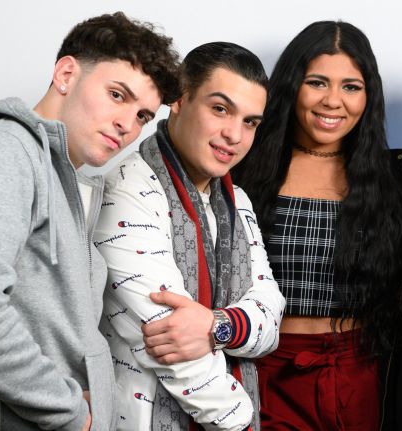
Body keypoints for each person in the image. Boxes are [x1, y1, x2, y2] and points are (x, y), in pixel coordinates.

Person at [0, 12, 180, 431]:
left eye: (142, 116)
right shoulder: (1, 153)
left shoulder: (68, 180)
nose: (127, 125)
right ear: (65, 74)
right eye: (118, 95)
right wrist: (70, 412)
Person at [93, 42, 285, 431]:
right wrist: (243, 424)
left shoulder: (236, 200)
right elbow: (170, 344)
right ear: (179, 99)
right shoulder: (127, 189)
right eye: (220, 109)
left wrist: (216, 325)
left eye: (250, 122)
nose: (234, 134)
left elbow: (272, 315)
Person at [232, 21, 402, 430]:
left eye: (351, 86)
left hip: (361, 376)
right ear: (291, 85)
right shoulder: (242, 168)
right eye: (317, 82)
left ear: (369, 96)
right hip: (264, 368)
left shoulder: (394, 182)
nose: (334, 101)